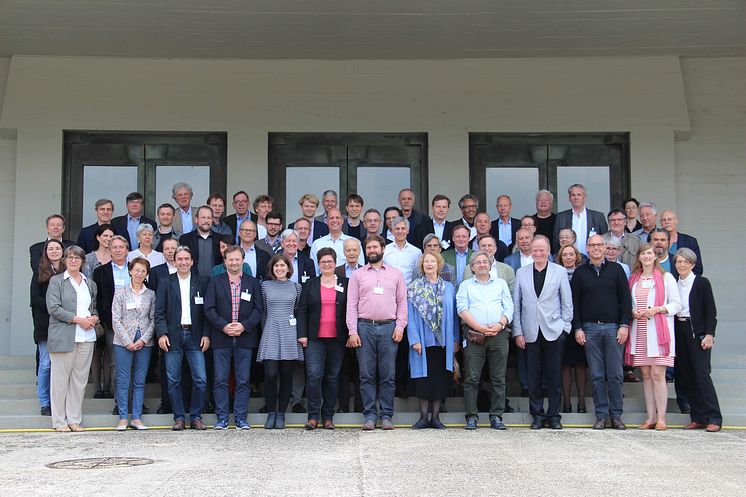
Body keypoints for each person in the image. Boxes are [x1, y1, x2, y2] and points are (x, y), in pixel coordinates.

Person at [346, 234, 408, 431]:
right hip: (364, 328)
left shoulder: (396, 274)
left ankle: (387, 415)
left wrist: (400, 327)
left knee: (388, 374)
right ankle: (370, 416)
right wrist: (352, 331)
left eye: (375, 247)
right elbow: (351, 305)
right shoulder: (358, 275)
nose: (372, 250)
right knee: (366, 375)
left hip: (389, 328)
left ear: (383, 249)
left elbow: (402, 302)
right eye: (369, 248)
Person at [572, 234, 632, 430]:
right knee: (597, 376)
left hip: (613, 328)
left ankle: (616, 416)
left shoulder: (616, 270)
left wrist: (624, 325)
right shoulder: (580, 273)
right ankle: (601, 416)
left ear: (605, 248)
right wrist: (578, 328)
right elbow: (575, 304)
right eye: (592, 245)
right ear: (587, 249)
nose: (596, 248)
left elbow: (625, 300)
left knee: (615, 374)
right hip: (589, 329)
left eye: (600, 245)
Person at [513, 236, 573, 430]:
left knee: (554, 376)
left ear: (549, 251)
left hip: (554, 330)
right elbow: (517, 305)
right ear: (531, 251)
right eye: (535, 250)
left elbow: (567, 302)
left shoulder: (560, 272)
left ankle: (554, 415)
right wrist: (518, 332)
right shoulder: (521, 273)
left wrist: (565, 327)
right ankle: (537, 415)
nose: (538, 253)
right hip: (530, 331)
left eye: (542, 250)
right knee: (534, 376)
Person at [204, 245, 264, 430]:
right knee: (220, 379)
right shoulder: (215, 281)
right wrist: (224, 326)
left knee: (243, 380)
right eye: (231, 259)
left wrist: (244, 326)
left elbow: (258, 309)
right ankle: (222, 417)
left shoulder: (252, 283)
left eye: (237, 259)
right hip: (221, 337)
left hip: (245, 337)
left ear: (243, 260)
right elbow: (209, 308)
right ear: (225, 261)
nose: (234, 262)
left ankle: (240, 418)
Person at [626, 243, 681, 431]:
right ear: (639, 257)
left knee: (658, 374)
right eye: (643, 254)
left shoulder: (667, 278)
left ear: (655, 256)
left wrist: (657, 309)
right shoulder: (634, 279)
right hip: (640, 331)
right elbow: (629, 303)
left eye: (650, 253)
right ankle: (650, 417)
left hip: (659, 334)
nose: (647, 256)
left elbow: (676, 305)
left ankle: (662, 418)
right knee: (647, 375)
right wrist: (633, 311)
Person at [155, 246, 210, 431]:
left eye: (187, 259)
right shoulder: (165, 282)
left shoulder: (202, 282)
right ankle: (179, 418)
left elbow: (207, 312)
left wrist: (206, 334)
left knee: (201, 379)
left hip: (195, 336)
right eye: (180, 259)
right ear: (174, 261)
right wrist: (162, 333)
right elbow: (159, 312)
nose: (184, 262)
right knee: (173, 379)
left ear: (192, 261)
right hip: (173, 336)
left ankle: (196, 416)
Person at [457, 251, 513, 430]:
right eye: (478, 263)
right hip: (474, 335)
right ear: (472, 267)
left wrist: (500, 324)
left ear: (490, 265)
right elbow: (462, 309)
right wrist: (480, 328)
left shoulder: (501, 283)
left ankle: (496, 416)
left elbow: (509, 306)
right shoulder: (465, 285)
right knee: (472, 377)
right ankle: (471, 416)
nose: (482, 265)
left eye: (485, 262)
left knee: (499, 378)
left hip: (499, 334)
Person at [46, 245, 99, 432]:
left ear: (83, 261)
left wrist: (94, 318)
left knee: (79, 380)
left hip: (86, 337)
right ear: (64, 261)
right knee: (60, 381)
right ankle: (59, 421)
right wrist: (78, 321)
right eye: (69, 257)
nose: (73, 260)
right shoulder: (56, 281)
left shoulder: (89, 283)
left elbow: (93, 309)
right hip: (63, 336)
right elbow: (54, 308)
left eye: (77, 257)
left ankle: (74, 419)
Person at [297, 247, 348, 430]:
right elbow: (302, 309)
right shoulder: (310, 284)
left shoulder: (345, 282)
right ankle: (312, 416)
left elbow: (351, 309)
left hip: (337, 338)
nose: (327, 264)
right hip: (314, 338)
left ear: (335, 263)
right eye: (323, 262)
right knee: (313, 376)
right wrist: (302, 334)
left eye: (330, 261)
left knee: (332, 377)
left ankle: (328, 417)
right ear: (318, 264)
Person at [407, 252, 458, 430]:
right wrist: (414, 340)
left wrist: (455, 339)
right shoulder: (414, 287)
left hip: (443, 342)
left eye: (433, 261)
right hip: (423, 340)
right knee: (424, 379)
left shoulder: (449, 288)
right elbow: (410, 316)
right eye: (426, 261)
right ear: (422, 265)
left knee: (439, 379)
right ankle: (423, 418)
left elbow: (454, 316)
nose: (429, 264)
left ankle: (435, 418)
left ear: (439, 264)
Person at [673, 247, 722, 432]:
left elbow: (711, 311)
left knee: (702, 375)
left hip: (698, 333)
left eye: (686, 261)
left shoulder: (701, 283)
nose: (682, 265)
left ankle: (714, 417)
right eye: (679, 261)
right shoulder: (674, 283)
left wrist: (710, 334)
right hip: (680, 330)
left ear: (693, 264)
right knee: (687, 376)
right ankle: (698, 417)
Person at [258, 254, 303, 429]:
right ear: (272, 268)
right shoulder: (265, 286)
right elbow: (263, 312)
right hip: (270, 331)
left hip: (289, 333)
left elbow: (298, 311)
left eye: (282, 266)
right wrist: (264, 332)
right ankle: (271, 412)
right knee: (270, 374)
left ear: (288, 268)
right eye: (276, 266)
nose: (279, 269)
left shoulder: (296, 287)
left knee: (286, 375)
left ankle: (281, 414)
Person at [111, 257, 156, 431]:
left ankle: (136, 417)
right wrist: (127, 341)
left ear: (146, 274)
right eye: (136, 270)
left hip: (144, 341)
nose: (139, 274)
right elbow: (115, 319)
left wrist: (144, 339)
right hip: (123, 342)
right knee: (123, 380)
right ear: (130, 271)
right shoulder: (120, 293)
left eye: (143, 271)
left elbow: (153, 319)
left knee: (139, 380)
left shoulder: (151, 294)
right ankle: (123, 417)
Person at [92, 235, 131, 402]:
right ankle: (120, 402)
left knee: (135, 365)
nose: (118, 250)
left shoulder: (136, 269)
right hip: (112, 324)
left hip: (135, 324)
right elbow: (98, 299)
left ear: (127, 250)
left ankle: (135, 401)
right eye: (114, 247)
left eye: (121, 247)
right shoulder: (100, 272)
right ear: (110, 251)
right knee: (116, 363)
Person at [31, 239, 66, 416]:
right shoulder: (39, 272)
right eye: (50, 249)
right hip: (45, 324)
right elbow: (34, 299)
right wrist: (54, 308)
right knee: (45, 364)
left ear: (62, 251)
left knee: (61, 366)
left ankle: (58, 400)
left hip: (65, 325)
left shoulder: (69, 271)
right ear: (46, 252)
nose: (54, 251)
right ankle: (45, 402)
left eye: (57, 248)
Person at [557, 244, 588, 413]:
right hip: (561, 324)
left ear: (576, 256)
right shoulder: (555, 273)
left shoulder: (583, 273)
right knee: (565, 365)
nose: (568, 258)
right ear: (560, 258)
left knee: (581, 364)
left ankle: (582, 403)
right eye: (565, 255)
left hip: (580, 324)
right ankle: (566, 402)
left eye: (571, 254)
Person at [552, 184, 608, 255]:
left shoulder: (598, 217)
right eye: (573, 195)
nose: (576, 197)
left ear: (584, 196)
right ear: (569, 198)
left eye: (579, 194)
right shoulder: (561, 217)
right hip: (568, 260)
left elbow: (605, 239)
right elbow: (556, 241)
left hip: (591, 260)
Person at [178, 206, 222, 278]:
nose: (206, 221)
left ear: (212, 220)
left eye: (209, 218)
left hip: (215, 282)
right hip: (193, 282)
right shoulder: (185, 239)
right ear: (196, 219)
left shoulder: (220, 239)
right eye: (203, 217)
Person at [660, 210, 704, 276]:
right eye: (663, 220)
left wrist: (686, 282)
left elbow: (698, 268)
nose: (667, 222)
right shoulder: (656, 242)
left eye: (670, 219)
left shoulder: (690, 241)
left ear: (676, 220)